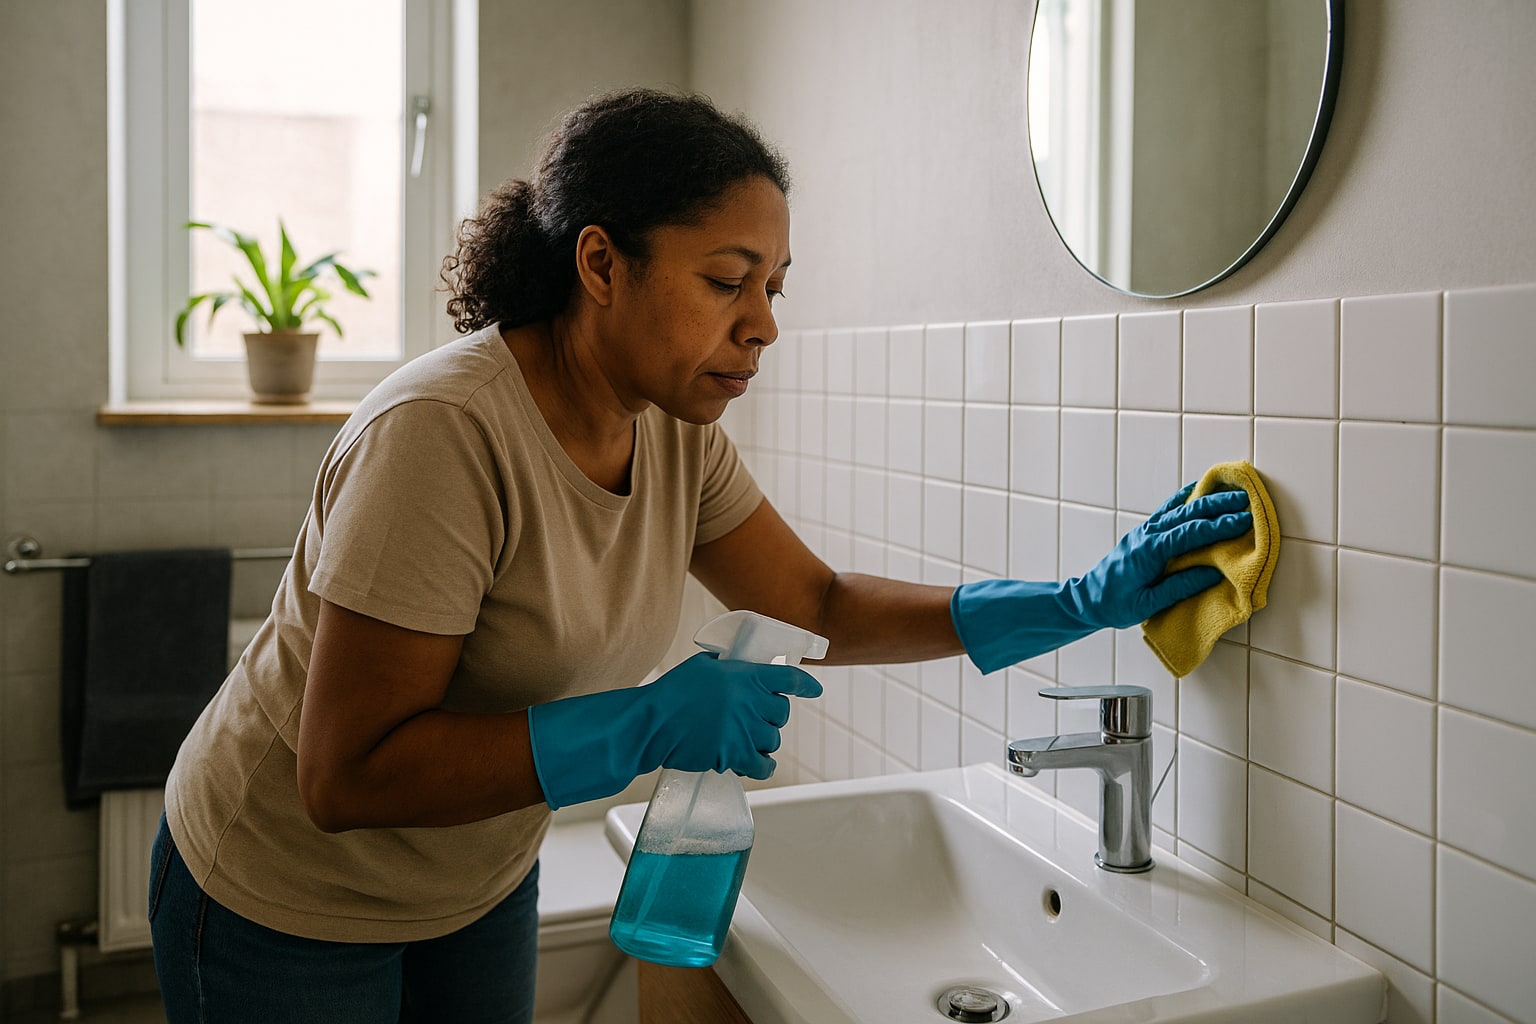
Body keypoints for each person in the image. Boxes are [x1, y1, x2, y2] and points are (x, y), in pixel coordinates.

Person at [148, 87, 1252, 1023]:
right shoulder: (441, 436)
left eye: (774, 285)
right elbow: (344, 774)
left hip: (472, 879)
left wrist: (1074, 601)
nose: (763, 322)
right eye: (728, 281)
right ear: (600, 263)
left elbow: (818, 599)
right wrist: (641, 723)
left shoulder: (673, 432)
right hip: (280, 895)